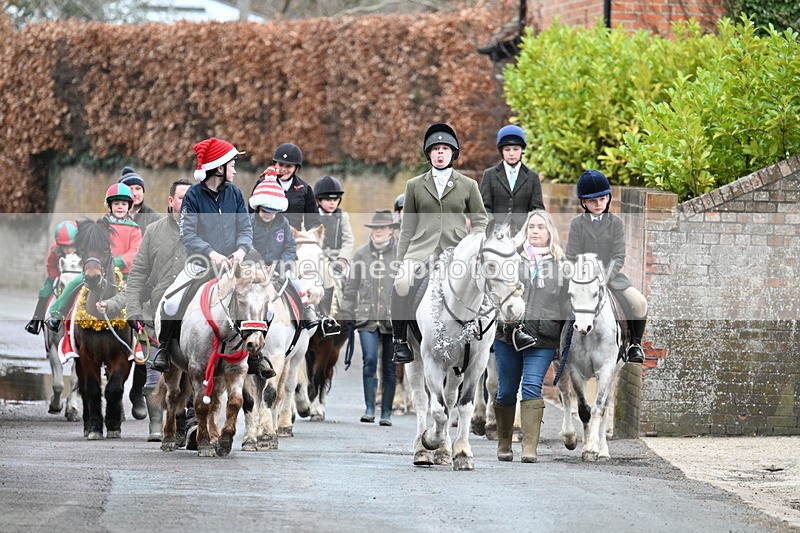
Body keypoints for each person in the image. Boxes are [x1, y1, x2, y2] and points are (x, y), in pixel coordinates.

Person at [151, 137, 256, 373]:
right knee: (171, 302)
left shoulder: (236, 194)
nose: (235, 170)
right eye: (232, 165)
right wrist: (212, 253)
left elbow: (246, 228)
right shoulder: (193, 196)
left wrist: (241, 250)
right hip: (201, 262)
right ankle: (165, 348)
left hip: (235, 264)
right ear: (219, 168)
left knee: (260, 301)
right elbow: (188, 233)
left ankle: (257, 356)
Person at [100, 178, 194, 440]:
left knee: (191, 373)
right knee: (154, 370)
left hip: (192, 313)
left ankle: (185, 424)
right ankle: (156, 425)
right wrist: (132, 311)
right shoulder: (153, 231)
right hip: (155, 313)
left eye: (190, 198)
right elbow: (138, 274)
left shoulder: (201, 233)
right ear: (170, 201)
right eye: (181, 198)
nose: (186, 203)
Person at [392, 122, 489, 363]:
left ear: (452, 153)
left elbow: (480, 220)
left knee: (483, 284)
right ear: (429, 154)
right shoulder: (414, 185)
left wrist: (474, 242)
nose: (440, 153)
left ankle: (487, 333)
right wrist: (400, 260)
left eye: (445, 149)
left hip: (456, 251)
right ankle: (400, 341)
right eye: (435, 150)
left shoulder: (468, 185)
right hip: (420, 250)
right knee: (401, 282)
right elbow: (407, 227)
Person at [494, 210, 567, 463]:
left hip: (543, 337)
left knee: (531, 386)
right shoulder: (511, 259)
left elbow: (566, 306)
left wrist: (563, 343)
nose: (535, 231)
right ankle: (504, 444)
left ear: (549, 233)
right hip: (508, 334)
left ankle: (529, 447)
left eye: (540, 227)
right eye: (531, 227)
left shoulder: (561, 265)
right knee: (505, 391)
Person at [566, 169, 647, 364]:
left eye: (602, 199)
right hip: (583, 280)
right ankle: (557, 346)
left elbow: (619, 256)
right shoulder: (577, 224)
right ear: (583, 202)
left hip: (611, 278)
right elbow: (571, 255)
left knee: (640, 303)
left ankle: (635, 345)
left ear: (608, 198)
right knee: (559, 300)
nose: (598, 204)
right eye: (593, 201)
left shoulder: (616, 223)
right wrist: (581, 275)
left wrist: (604, 276)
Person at [45, 183, 142, 331]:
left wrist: (120, 262)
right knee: (74, 282)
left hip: (124, 272)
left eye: (124, 203)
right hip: (100, 269)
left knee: (136, 295)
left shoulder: (134, 228)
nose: (120, 207)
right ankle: (57, 313)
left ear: (129, 206)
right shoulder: (102, 224)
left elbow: (135, 250)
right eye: (116, 204)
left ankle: (140, 333)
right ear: (109, 205)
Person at [340, 210, 398, 426]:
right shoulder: (361, 254)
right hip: (366, 317)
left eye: (382, 228)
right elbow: (351, 286)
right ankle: (370, 408)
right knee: (370, 360)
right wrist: (347, 312)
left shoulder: (401, 253)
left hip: (393, 320)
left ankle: (387, 412)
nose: (378, 232)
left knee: (390, 366)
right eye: (375, 228)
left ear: (391, 230)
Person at [249, 175, 319, 334]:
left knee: (296, 281)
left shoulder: (283, 224)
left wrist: (279, 265)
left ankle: (307, 309)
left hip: (279, 268)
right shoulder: (249, 222)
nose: (268, 214)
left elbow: (290, 247)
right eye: (265, 210)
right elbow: (245, 244)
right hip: (253, 269)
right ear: (258, 206)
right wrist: (258, 264)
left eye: (272, 211)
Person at [480, 124, 544, 232]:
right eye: (507, 149)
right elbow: (484, 207)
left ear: (522, 150)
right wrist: (494, 228)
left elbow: (537, 210)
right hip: (495, 234)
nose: (511, 153)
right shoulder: (489, 174)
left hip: (523, 233)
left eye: (516, 149)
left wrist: (527, 230)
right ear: (501, 151)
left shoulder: (532, 177)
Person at [24, 220, 78, 335]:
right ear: (59, 245)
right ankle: (36, 320)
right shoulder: (55, 250)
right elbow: (51, 266)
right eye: (65, 247)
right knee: (45, 291)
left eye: (71, 246)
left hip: (79, 276)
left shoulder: (83, 250)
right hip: (59, 276)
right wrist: (56, 277)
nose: (69, 250)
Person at [253, 143, 319, 231]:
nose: (283, 169)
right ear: (275, 164)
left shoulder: (305, 189)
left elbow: (313, 221)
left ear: (296, 168)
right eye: (280, 164)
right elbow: (252, 213)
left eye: (288, 166)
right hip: (267, 237)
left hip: (293, 239)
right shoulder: (263, 183)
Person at [119, 166, 162, 234]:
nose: (135, 193)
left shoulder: (155, 219)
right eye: (130, 189)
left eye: (138, 189)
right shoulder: (109, 218)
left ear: (143, 191)